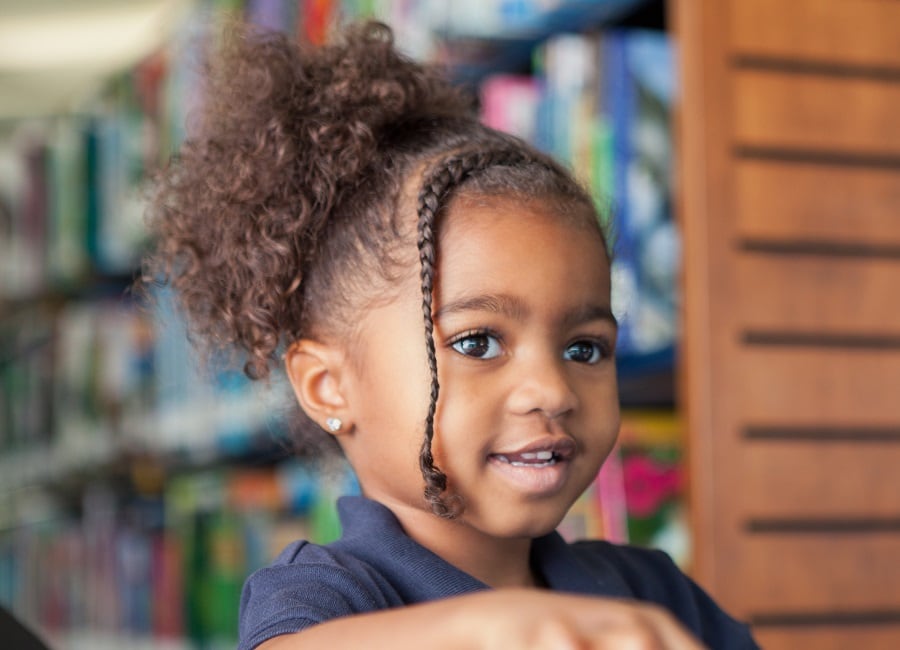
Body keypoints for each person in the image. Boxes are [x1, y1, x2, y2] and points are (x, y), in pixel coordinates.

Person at [143, 19, 759, 650]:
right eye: (477, 343)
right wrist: (492, 625)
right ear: (329, 388)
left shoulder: (651, 592)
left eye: (585, 348)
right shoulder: (330, 597)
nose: (552, 389)